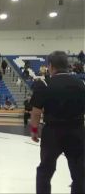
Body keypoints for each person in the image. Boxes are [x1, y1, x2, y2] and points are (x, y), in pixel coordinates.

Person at [30, 51, 85, 194]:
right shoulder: (81, 84)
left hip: (52, 133)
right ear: (67, 66)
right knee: (79, 173)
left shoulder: (44, 84)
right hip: (77, 131)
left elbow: (36, 112)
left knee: (45, 171)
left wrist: (35, 130)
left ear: (51, 66)